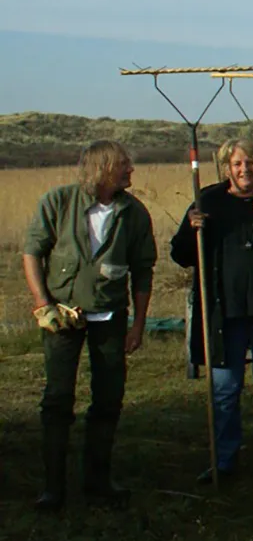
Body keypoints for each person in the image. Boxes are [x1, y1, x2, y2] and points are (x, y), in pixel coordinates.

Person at [23, 140, 155, 511]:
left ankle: (98, 481)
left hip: (111, 318)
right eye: (123, 166)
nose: (130, 171)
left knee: (109, 398)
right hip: (62, 318)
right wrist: (42, 304)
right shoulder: (59, 202)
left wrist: (139, 324)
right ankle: (52, 488)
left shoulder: (134, 213)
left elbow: (144, 271)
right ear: (102, 168)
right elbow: (32, 251)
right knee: (57, 399)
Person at [170, 138, 253, 483]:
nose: (245, 171)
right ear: (227, 168)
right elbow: (181, 255)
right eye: (237, 165)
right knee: (225, 391)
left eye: (250, 164)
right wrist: (191, 229)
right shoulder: (208, 201)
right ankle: (224, 461)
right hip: (223, 316)